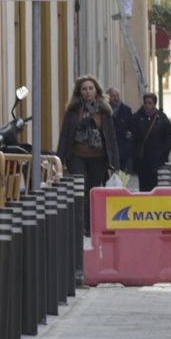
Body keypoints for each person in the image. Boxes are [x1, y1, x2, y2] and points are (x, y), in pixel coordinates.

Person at [56, 76, 123, 234]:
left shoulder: (104, 111)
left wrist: (115, 163)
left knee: (93, 190)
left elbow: (111, 138)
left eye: (91, 88)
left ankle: (90, 225)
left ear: (96, 91)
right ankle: (79, 225)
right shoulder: (73, 111)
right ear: (79, 92)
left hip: (98, 158)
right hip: (76, 156)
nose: (88, 92)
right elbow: (65, 135)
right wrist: (59, 160)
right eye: (84, 89)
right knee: (80, 189)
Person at [130, 92, 171, 192]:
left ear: (154, 104)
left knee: (155, 185)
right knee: (143, 185)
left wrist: (164, 152)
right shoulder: (137, 117)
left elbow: (170, 136)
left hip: (157, 159)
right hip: (142, 158)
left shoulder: (161, 118)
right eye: (145, 103)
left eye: (150, 103)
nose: (147, 105)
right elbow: (134, 136)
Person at [106, 87, 135, 177]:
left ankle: (119, 189)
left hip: (122, 148)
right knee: (107, 174)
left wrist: (130, 134)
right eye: (113, 96)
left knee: (120, 173)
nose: (115, 98)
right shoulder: (105, 110)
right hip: (108, 148)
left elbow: (132, 126)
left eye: (117, 96)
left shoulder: (126, 110)